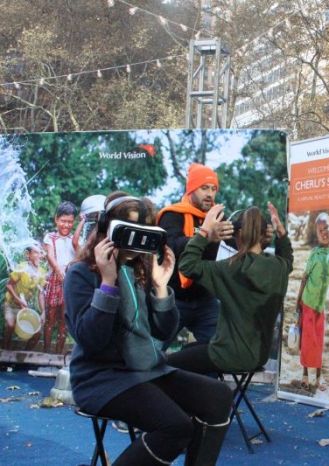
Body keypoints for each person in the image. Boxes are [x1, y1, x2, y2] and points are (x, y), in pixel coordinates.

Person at [64, 192, 234, 466]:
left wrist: (161, 288)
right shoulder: (82, 273)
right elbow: (91, 340)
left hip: (145, 369)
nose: (137, 241)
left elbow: (164, 335)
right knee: (176, 427)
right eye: (129, 231)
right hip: (101, 377)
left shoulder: (139, 271)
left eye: (144, 232)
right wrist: (107, 283)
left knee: (219, 396)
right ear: (108, 230)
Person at [167, 202, 293, 376]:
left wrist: (204, 232)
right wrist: (281, 233)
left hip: (228, 355)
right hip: (259, 356)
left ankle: (205, 400)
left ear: (238, 234)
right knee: (191, 348)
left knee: (169, 363)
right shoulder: (279, 268)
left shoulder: (229, 269)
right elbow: (287, 258)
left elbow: (187, 265)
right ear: (265, 235)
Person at [157, 163, 235, 349]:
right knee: (154, 348)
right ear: (191, 189)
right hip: (174, 296)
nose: (210, 194)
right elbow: (173, 247)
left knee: (218, 350)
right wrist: (206, 235)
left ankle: (205, 375)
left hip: (205, 297)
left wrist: (255, 235)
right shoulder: (172, 215)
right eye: (204, 188)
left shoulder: (218, 216)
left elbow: (237, 245)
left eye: (213, 189)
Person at [295, 212, 329, 391]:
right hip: (308, 303)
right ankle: (305, 374)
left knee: (318, 341)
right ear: (316, 232)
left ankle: (318, 378)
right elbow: (304, 278)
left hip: (321, 306)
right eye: (320, 230)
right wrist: (298, 301)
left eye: (326, 228)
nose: (324, 232)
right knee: (307, 340)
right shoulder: (314, 254)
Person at [43, 200, 77, 354]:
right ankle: (46, 352)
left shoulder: (74, 240)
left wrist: (68, 269)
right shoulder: (50, 237)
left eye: (70, 222)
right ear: (56, 219)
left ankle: (57, 355)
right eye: (63, 221)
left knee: (64, 320)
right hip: (54, 281)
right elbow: (50, 256)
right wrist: (59, 270)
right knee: (50, 319)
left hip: (69, 282)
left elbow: (79, 258)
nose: (66, 225)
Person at [3, 244, 47, 350]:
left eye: (40, 252)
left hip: (24, 307)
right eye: (36, 252)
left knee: (37, 333)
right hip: (11, 304)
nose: (39, 255)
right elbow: (9, 285)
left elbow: (41, 293)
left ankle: (25, 356)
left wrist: (43, 311)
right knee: (10, 325)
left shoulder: (41, 272)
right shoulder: (22, 268)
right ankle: (5, 352)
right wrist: (18, 300)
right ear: (28, 255)